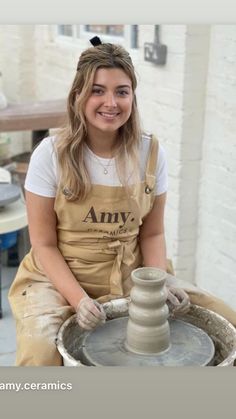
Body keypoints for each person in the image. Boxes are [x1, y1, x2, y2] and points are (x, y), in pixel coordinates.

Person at [8, 37, 236, 366]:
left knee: (225, 321)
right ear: (78, 96)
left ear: (133, 97)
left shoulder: (150, 154)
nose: (111, 102)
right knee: (41, 353)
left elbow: (152, 234)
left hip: (134, 270)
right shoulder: (51, 155)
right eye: (97, 90)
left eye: (122, 91)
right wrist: (79, 299)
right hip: (59, 275)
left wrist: (157, 286)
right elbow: (43, 244)